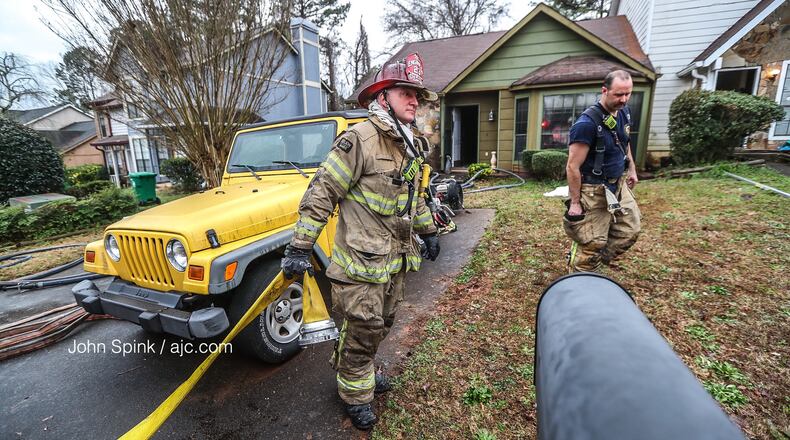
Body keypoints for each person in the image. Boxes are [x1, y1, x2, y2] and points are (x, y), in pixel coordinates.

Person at [280, 53, 440, 430]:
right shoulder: (358, 141)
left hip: (393, 262)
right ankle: (355, 395)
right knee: (362, 330)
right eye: (406, 93)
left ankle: (360, 369)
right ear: (382, 97)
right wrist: (300, 246)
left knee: (380, 326)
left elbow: (412, 198)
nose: (415, 101)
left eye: (417, 95)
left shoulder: (408, 144)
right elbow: (322, 192)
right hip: (359, 267)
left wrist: (429, 231)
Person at [564, 70, 641, 272]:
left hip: (618, 184)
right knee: (592, 243)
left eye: (628, 94)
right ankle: (581, 272)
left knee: (629, 231)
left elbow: (624, 141)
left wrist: (632, 168)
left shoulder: (624, 112)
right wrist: (575, 203)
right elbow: (572, 166)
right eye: (619, 94)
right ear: (604, 90)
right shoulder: (586, 124)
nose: (624, 99)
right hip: (594, 189)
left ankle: (593, 260)